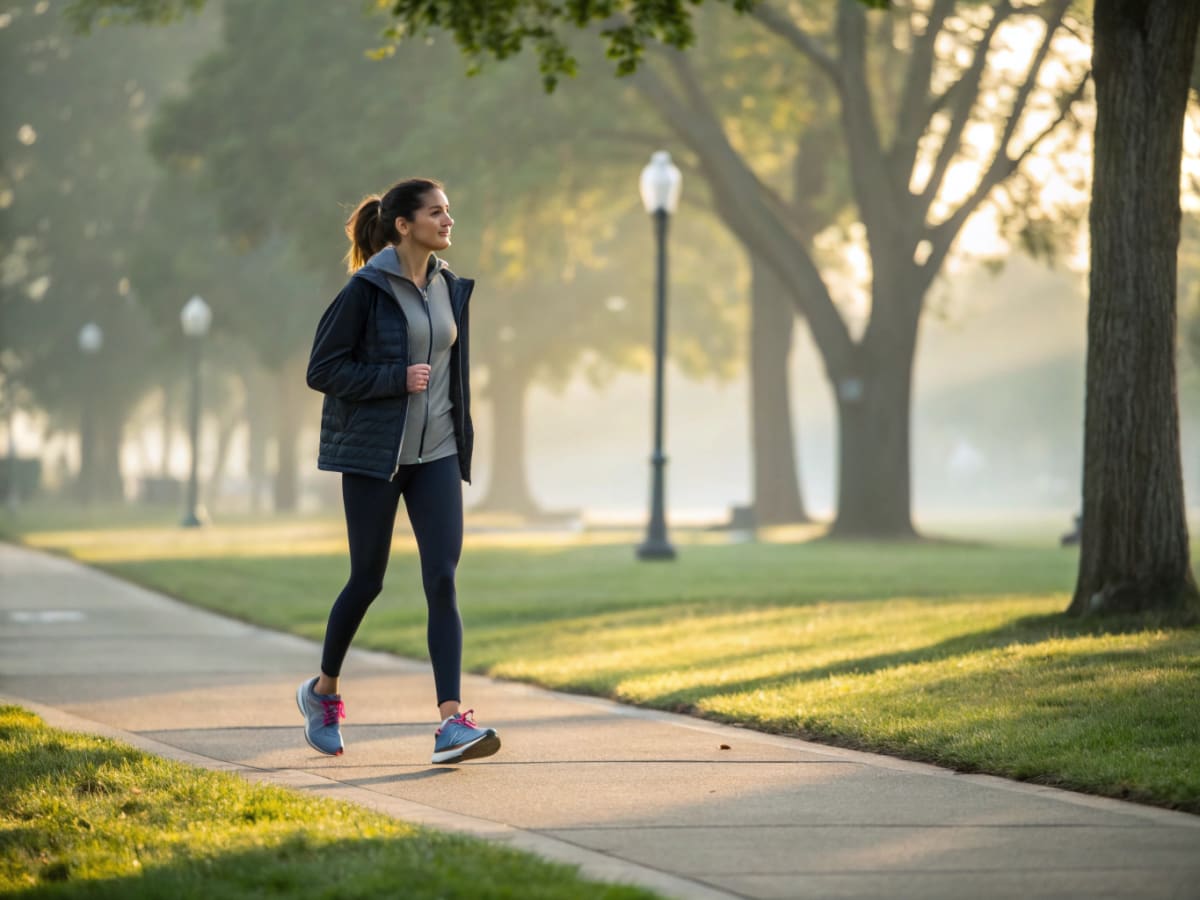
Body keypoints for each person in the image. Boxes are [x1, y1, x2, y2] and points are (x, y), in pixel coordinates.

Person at [297, 177, 499, 765]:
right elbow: (322, 369)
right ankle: (323, 692)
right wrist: (393, 379)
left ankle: (451, 723)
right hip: (375, 457)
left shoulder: (447, 287)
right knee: (368, 579)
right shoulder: (365, 289)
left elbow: (448, 369)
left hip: (435, 452)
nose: (448, 220)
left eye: (449, 211)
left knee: (442, 577)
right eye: (437, 212)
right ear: (404, 225)